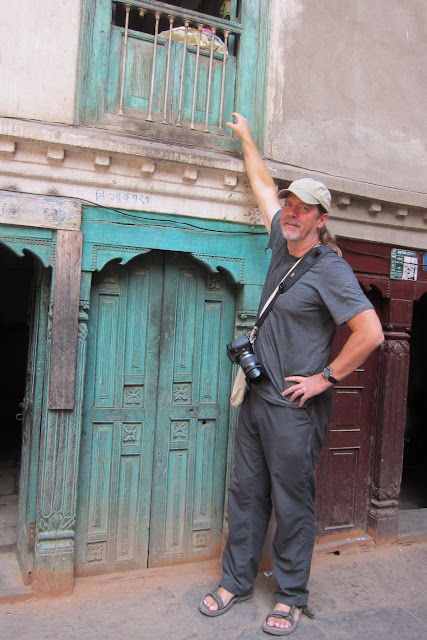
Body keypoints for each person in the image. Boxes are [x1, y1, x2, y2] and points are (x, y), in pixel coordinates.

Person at [198, 113, 384, 635]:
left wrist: (326, 377)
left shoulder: (331, 268)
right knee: (245, 493)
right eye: (291, 205)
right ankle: (236, 581)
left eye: (304, 208)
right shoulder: (284, 241)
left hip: (295, 408)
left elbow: (370, 332)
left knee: (292, 502)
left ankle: (290, 596)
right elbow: (262, 186)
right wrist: (248, 141)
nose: (292, 213)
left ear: (321, 218)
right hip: (259, 399)